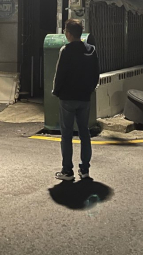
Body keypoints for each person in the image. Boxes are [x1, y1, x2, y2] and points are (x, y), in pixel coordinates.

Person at [52, 19, 100, 181]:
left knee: (66, 135)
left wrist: (56, 91)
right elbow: (96, 74)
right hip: (84, 98)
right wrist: (89, 90)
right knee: (84, 133)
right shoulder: (91, 50)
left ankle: (67, 171)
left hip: (67, 98)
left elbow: (60, 74)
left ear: (68, 34)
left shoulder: (65, 50)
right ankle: (84, 169)